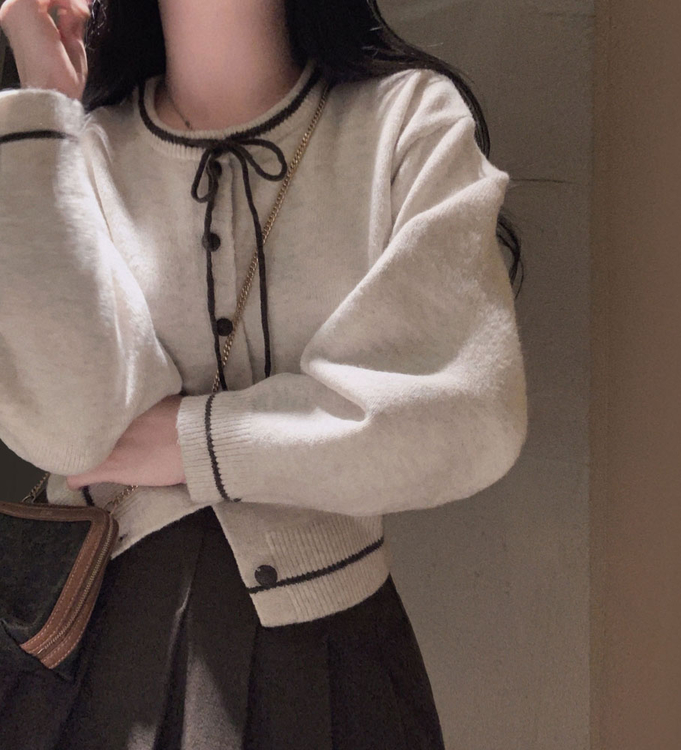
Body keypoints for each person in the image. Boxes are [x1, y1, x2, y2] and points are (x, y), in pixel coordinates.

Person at [0, 0, 528, 747]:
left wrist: (188, 443)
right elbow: (70, 430)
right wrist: (45, 109)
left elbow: (467, 414)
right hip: (102, 664)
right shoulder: (73, 149)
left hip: (333, 659)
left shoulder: (406, 120)